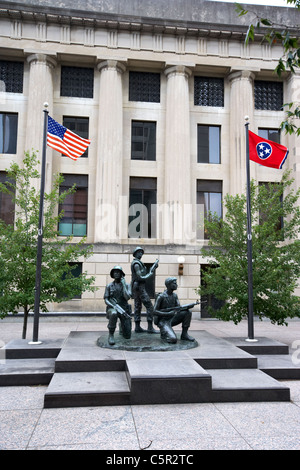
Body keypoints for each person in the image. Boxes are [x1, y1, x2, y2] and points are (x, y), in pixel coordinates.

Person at [154, 277, 196, 344]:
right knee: (173, 339)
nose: (176, 285)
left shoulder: (175, 295)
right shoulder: (161, 296)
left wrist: (188, 306)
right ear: (169, 284)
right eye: (174, 283)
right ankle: (164, 332)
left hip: (172, 318)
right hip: (164, 321)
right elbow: (154, 311)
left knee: (188, 312)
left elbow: (179, 308)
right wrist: (168, 314)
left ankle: (184, 334)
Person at [131, 246, 159, 334]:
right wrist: (150, 274)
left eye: (141, 252)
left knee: (137, 306)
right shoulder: (136, 264)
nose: (141, 254)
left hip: (138, 288)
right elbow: (140, 277)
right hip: (140, 288)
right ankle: (150, 328)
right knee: (150, 307)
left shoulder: (138, 263)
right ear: (135, 253)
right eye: (139, 252)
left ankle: (137, 327)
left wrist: (153, 268)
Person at [104, 266, 132, 345]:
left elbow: (127, 297)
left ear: (121, 274)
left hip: (123, 309)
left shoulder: (127, 285)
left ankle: (122, 326)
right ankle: (111, 335)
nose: (116, 274)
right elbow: (106, 299)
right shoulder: (109, 286)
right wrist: (113, 306)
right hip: (112, 308)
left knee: (127, 336)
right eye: (115, 272)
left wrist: (123, 285)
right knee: (114, 314)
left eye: (118, 272)